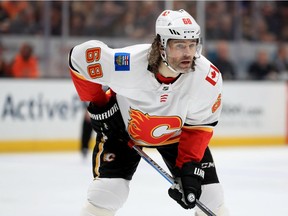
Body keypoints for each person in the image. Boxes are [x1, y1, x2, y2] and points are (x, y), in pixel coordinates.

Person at [69, 9, 229, 216]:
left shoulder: (206, 77)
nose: (188, 53)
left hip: (176, 138)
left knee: (210, 197)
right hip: (123, 133)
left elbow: (199, 127)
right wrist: (100, 104)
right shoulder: (127, 64)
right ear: (161, 45)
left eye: (192, 44)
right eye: (180, 45)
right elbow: (81, 58)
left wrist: (188, 166)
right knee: (107, 194)